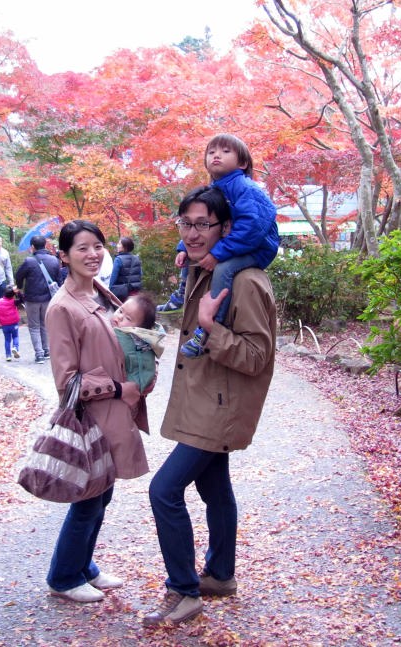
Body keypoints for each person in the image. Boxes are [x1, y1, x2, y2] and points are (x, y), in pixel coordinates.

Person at [143, 186, 277, 626]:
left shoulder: (245, 281)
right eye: (186, 224)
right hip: (205, 398)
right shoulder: (204, 271)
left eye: (203, 224)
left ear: (227, 227)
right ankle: (220, 575)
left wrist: (209, 328)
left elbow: (256, 356)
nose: (192, 233)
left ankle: (183, 592)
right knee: (214, 488)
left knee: (164, 491)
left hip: (220, 406)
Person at [43, 219, 151, 604]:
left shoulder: (99, 291)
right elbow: (66, 380)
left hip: (114, 414)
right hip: (92, 416)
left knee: (102, 495)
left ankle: (83, 566)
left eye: (97, 246)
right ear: (64, 256)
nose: (92, 254)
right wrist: (119, 387)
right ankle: (63, 576)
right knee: (88, 498)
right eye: (82, 248)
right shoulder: (62, 307)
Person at [167, 134, 279, 359]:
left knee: (223, 269)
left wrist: (218, 253)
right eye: (211, 152)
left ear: (243, 162)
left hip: (257, 247)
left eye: (225, 151)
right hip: (236, 244)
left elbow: (252, 226)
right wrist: (183, 247)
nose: (216, 155)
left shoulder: (245, 187)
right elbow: (201, 223)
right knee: (191, 255)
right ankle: (180, 293)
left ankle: (207, 329)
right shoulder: (216, 189)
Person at [15, 235, 62, 364]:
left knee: (34, 327)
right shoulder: (54, 260)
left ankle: (39, 354)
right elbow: (59, 280)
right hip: (48, 298)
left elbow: (18, 275)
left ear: (32, 247)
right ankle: (46, 351)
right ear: (45, 245)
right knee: (45, 325)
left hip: (32, 299)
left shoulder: (29, 261)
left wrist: (19, 286)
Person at [111, 293, 164, 397]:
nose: (120, 317)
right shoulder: (147, 338)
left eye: (128, 318)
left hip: (127, 389)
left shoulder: (124, 337)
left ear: (139, 329)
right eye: (120, 311)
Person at [108, 236, 143, 302]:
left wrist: (109, 290)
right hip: (136, 293)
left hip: (123, 293)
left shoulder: (118, 259)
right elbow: (140, 274)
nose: (117, 246)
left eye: (119, 244)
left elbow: (113, 277)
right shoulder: (136, 258)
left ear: (125, 247)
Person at [0, 285, 22, 361]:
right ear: (13, 294)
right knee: (15, 337)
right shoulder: (14, 302)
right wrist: (18, 292)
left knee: (7, 340)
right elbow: (22, 299)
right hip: (14, 323)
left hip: (4, 325)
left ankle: (8, 356)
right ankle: (15, 348)